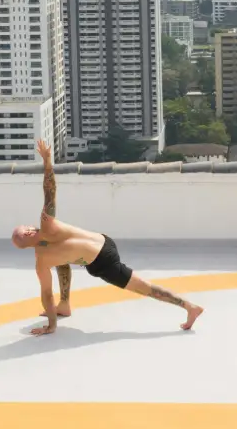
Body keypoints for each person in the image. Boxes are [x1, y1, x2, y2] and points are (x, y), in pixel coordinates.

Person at [11, 140, 203, 334]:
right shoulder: (47, 225)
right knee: (62, 261)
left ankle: (189, 307)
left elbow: (46, 295)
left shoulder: (41, 260)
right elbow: (50, 190)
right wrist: (47, 160)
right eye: (26, 227)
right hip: (104, 241)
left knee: (143, 287)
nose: (29, 225)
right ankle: (65, 305)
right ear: (28, 232)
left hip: (102, 262)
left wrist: (51, 325)